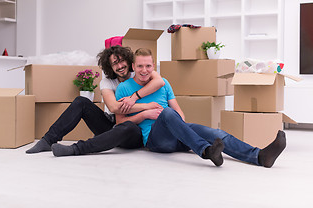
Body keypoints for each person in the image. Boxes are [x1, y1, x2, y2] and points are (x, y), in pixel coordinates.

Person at [115, 48, 286, 168]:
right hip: (156, 141)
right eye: (140, 66)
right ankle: (205, 151)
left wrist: (181, 126)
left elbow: (179, 111)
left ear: (154, 67)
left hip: (179, 135)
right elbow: (120, 124)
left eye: (148, 66)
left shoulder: (163, 83)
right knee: (167, 113)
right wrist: (145, 114)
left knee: (216, 133)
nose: (144, 70)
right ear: (133, 67)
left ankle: (259, 156)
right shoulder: (124, 89)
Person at [26, 45, 164, 155]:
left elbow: (159, 81)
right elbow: (113, 107)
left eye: (122, 60)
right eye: (115, 63)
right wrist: (146, 107)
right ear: (110, 67)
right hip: (113, 123)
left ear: (130, 62)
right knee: (81, 102)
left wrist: (135, 98)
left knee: (127, 127)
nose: (120, 65)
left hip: (135, 129)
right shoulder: (107, 82)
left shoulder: (141, 72)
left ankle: (76, 149)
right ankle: (47, 140)